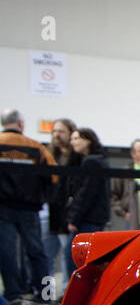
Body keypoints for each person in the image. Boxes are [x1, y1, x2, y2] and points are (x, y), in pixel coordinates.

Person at [0, 108, 55, 305]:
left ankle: (13, 297)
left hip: (3, 208)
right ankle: (45, 296)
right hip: (30, 207)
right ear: (21, 123)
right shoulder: (36, 147)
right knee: (37, 251)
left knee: (6, 252)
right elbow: (54, 176)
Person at [65, 128, 111, 273]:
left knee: (75, 259)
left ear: (88, 140)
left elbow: (86, 193)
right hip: (93, 218)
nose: (73, 142)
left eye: (77, 138)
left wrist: (74, 218)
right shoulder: (98, 160)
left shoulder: (91, 162)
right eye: (72, 139)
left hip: (87, 219)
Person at [44, 118, 79, 288]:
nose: (56, 135)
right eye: (54, 131)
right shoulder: (48, 155)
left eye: (61, 131)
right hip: (49, 211)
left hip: (67, 214)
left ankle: (66, 291)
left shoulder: (76, 158)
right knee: (46, 255)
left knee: (68, 257)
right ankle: (46, 294)